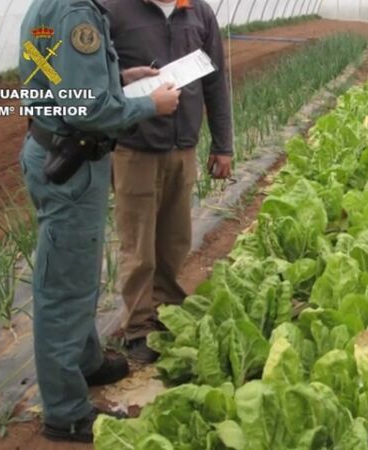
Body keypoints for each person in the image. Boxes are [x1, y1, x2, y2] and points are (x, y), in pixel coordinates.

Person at [18, 0, 180, 442]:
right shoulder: (77, 14)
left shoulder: (54, 6)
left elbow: (61, 77)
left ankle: (85, 361)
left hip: (58, 152)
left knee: (78, 272)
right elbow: (87, 110)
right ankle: (66, 412)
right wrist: (150, 105)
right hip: (71, 161)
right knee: (65, 288)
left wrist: (119, 79)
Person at [103, 0, 234, 363]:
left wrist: (223, 145)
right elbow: (94, 75)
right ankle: (138, 327)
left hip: (183, 147)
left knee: (174, 238)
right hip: (135, 148)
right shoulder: (115, 11)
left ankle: (168, 309)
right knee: (138, 244)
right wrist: (124, 78)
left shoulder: (198, 12)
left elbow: (215, 82)